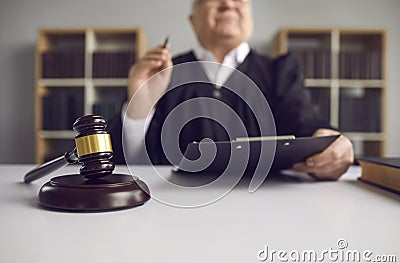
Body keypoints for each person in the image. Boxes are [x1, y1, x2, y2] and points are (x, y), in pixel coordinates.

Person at [109, 0, 354, 180]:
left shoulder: (281, 71)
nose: (228, 4)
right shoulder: (161, 75)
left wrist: (328, 147)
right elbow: (134, 164)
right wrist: (139, 107)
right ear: (192, 19)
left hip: (269, 214)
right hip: (178, 214)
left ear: (250, 15)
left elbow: (304, 122)